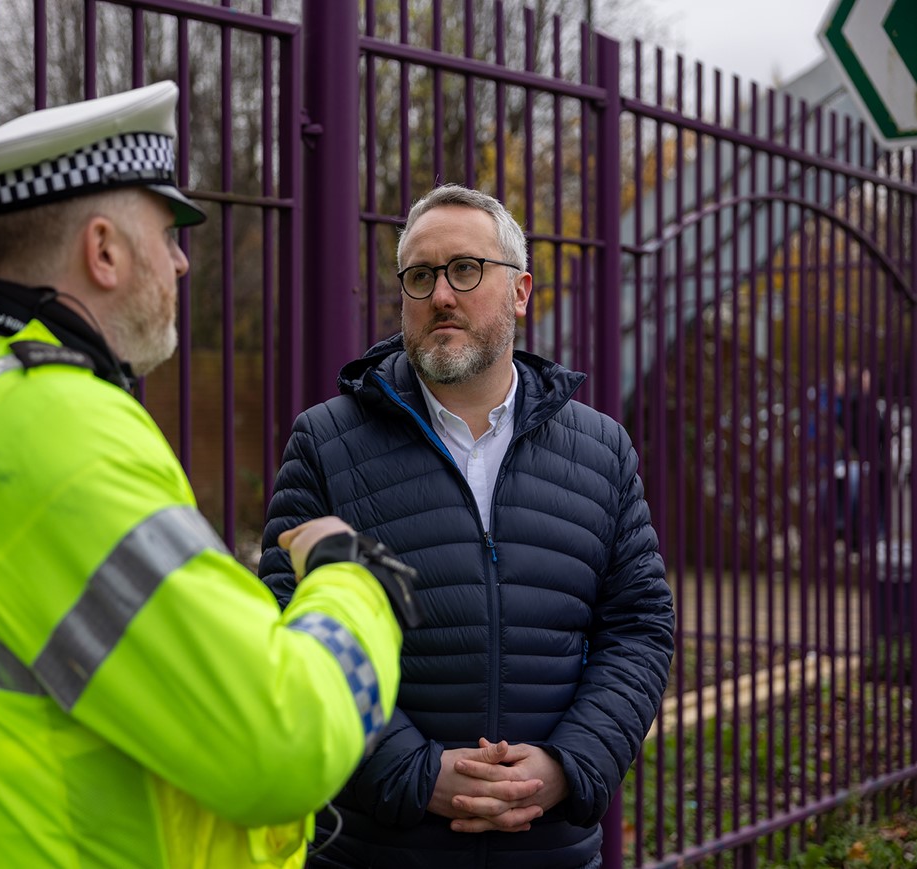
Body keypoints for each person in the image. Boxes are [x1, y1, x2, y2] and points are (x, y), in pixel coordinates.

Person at [0, 81, 416, 869]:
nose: (182, 261)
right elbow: (277, 741)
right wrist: (352, 581)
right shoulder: (51, 427)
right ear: (103, 250)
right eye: (167, 233)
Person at [260, 183, 675, 868]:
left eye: (464, 269)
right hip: (377, 848)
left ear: (520, 291)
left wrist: (567, 767)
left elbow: (637, 627)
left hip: (552, 851)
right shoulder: (325, 442)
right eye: (419, 276)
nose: (440, 295)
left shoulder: (601, 450)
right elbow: (285, 627)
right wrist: (415, 773)